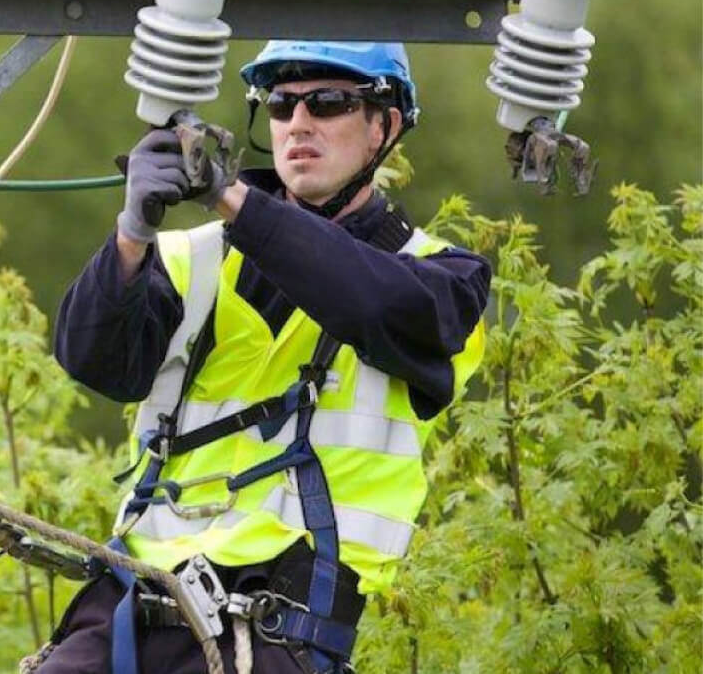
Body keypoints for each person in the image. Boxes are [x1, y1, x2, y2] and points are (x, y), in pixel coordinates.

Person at [45, 41, 491, 674]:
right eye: (281, 105)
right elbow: (94, 360)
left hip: (281, 615)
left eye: (328, 103)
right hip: (136, 597)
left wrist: (232, 200)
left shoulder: (445, 281)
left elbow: (364, 301)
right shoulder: (190, 259)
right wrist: (130, 234)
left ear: (384, 128)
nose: (299, 123)